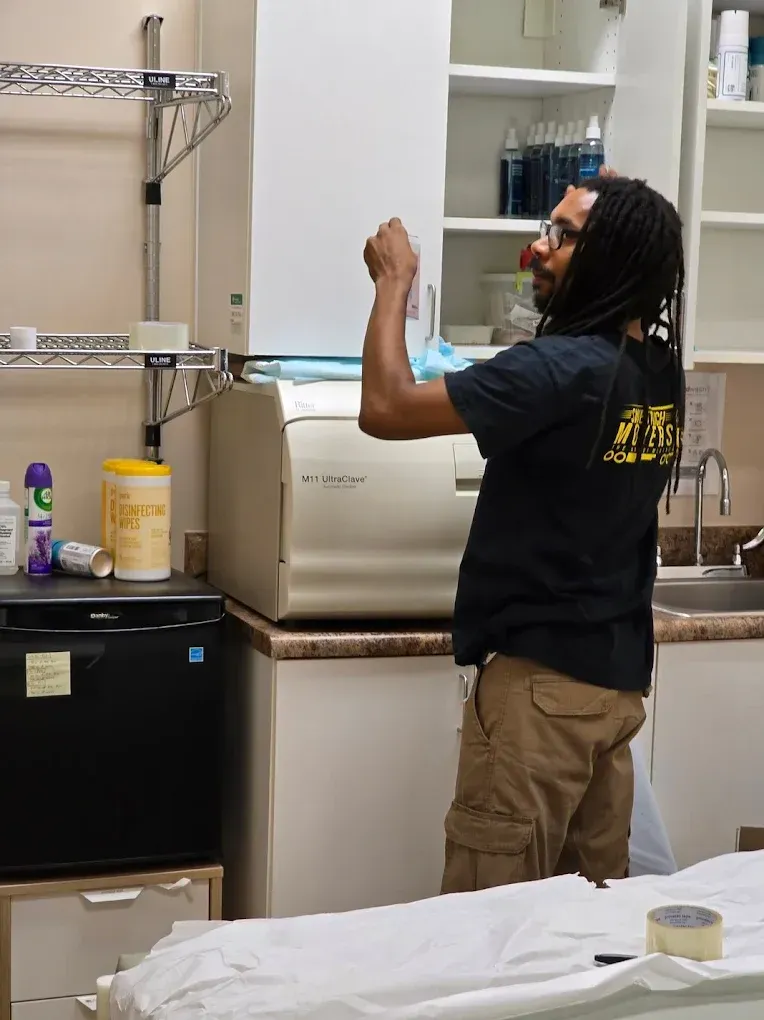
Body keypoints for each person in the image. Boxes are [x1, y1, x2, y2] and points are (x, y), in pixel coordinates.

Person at [359, 173, 685, 892]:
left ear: (614, 259)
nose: (534, 248)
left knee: (491, 925)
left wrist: (395, 283)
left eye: (563, 236)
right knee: (586, 938)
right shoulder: (658, 371)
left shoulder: (558, 370)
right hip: (614, 695)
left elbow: (384, 406)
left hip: (540, 694)